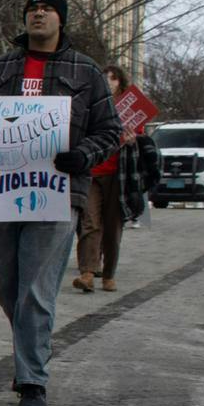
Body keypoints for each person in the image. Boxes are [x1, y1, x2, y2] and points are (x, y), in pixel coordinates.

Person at [0, 0, 122, 406]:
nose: (38, 15)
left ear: (61, 19)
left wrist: (83, 155)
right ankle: (28, 353)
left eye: (47, 9)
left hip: (58, 194)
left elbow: (110, 131)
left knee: (36, 288)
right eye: (32, 9)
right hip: (1, 193)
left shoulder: (84, 71)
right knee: (8, 285)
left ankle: (32, 380)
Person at [72, 65, 134, 293]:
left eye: (113, 78)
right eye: (105, 78)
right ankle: (87, 273)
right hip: (92, 171)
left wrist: (131, 141)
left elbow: (141, 139)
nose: (109, 82)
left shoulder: (130, 108)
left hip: (117, 174)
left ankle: (108, 274)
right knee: (89, 223)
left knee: (113, 227)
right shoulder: (91, 103)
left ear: (121, 82)